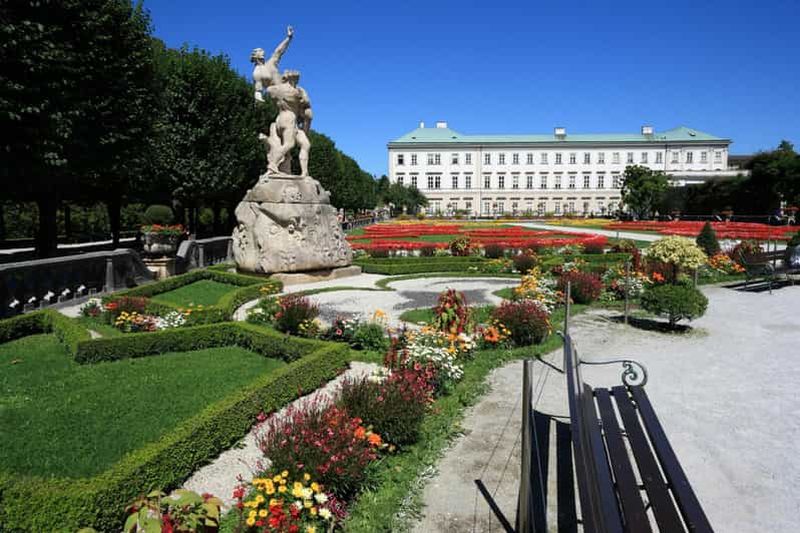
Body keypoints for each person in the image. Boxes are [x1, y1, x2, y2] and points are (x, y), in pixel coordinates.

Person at [265, 69, 313, 176]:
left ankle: (304, 172)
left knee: (306, 144)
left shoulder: (276, 89)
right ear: (293, 79)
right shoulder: (296, 92)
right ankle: (272, 164)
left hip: (281, 119)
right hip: (289, 119)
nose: (297, 82)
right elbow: (307, 105)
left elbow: (268, 90)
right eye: (297, 79)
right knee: (289, 144)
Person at [251, 26, 293, 103]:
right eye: (260, 51)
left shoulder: (271, 63)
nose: (263, 52)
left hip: (286, 90)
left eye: (262, 51)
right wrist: (258, 100)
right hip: (277, 96)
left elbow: (279, 51)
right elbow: (258, 90)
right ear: (255, 56)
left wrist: (288, 38)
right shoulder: (257, 73)